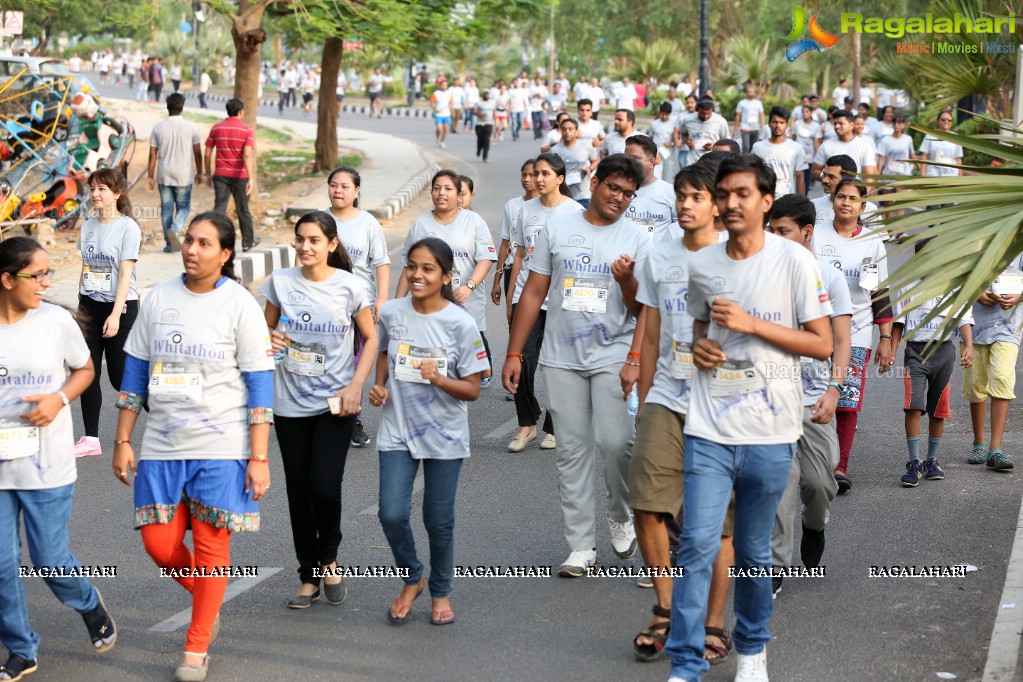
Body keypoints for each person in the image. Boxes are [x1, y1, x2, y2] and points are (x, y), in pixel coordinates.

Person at [663, 155, 833, 682]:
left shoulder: (794, 261)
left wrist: (753, 324)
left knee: (755, 552)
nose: (731, 203)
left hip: (772, 430)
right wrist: (702, 350)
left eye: (742, 194)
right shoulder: (704, 264)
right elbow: (697, 328)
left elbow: (822, 343)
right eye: (724, 194)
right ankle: (686, 663)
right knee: (694, 543)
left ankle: (753, 648)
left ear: (764, 200)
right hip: (709, 426)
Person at [113, 212, 274, 682]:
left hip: (221, 445)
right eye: (189, 239)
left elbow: (261, 387)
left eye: (205, 243)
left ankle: (196, 645)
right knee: (160, 546)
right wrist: (123, 439)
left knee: (209, 546)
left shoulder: (240, 305)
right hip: (161, 444)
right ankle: (209, 597)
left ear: (225, 254)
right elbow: (136, 374)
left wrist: (258, 457)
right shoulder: (160, 297)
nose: (192, 248)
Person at [503, 155, 649, 577]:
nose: (619, 198)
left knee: (619, 444)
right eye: (612, 188)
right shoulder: (559, 227)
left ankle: (620, 515)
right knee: (572, 450)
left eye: (627, 193)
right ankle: (581, 546)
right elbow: (533, 292)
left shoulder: (638, 238)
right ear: (595, 182)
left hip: (613, 355)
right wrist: (514, 353)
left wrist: (626, 281)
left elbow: (644, 308)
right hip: (561, 357)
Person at [628, 164, 735, 663]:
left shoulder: (737, 257)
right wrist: (645, 396)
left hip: (724, 405)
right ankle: (666, 609)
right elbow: (650, 330)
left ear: (717, 203)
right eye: (680, 196)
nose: (685, 204)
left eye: (697, 196)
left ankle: (713, 624)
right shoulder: (659, 254)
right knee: (646, 503)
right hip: (667, 398)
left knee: (717, 526)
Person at [0, 238, 117, 682]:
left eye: (49, 273)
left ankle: (87, 603)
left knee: (48, 560)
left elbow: (85, 371)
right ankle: (20, 647)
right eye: (38, 275)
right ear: (7, 279)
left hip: (46, 463)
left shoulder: (54, 321)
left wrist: (57, 399)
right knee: (1, 564)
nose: (47, 282)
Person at [261, 211, 378, 608]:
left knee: (324, 487)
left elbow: (371, 339)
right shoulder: (280, 283)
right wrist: (270, 340)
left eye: (314, 240)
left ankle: (329, 557)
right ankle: (308, 574)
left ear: (331, 244)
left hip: (335, 404)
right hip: (290, 402)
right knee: (298, 491)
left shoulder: (349, 287)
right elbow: (265, 333)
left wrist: (356, 386)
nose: (305, 247)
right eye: (300, 239)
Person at [371, 237, 489, 626]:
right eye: (413, 266)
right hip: (397, 430)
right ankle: (412, 577)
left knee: (438, 520)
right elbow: (385, 350)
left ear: (445, 277)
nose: (418, 275)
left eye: (428, 269)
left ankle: (441, 591)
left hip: (444, 435)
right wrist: (380, 383)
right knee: (390, 513)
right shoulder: (392, 312)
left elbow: (472, 388)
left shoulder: (461, 323)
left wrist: (438, 378)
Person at [766, 194, 851, 595]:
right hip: (771, 400)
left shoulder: (829, 277)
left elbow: (842, 341)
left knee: (818, 484)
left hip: (816, 400)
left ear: (807, 232)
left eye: (783, 231)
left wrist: (835, 390)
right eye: (771, 230)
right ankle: (775, 566)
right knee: (779, 487)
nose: (774, 238)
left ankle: (814, 526)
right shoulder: (762, 273)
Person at [811, 177, 894, 493]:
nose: (846, 202)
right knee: (814, 393)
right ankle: (817, 459)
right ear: (832, 200)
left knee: (846, 401)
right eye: (840, 196)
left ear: (863, 206)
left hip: (857, 330)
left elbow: (877, 292)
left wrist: (885, 338)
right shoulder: (815, 236)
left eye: (853, 199)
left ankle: (839, 466)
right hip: (816, 329)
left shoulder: (871, 242)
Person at [504, 153, 582, 453]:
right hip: (529, 296)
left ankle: (553, 426)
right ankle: (527, 424)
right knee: (521, 360)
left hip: (562, 300)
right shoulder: (524, 210)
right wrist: (511, 298)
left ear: (560, 179)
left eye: (545, 174)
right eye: (535, 173)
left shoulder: (575, 212)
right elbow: (520, 256)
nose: (538, 179)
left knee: (557, 367)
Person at [396, 171, 496, 387]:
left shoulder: (473, 221)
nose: (441, 193)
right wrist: (397, 304)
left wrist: (469, 287)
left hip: (466, 300)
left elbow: (486, 258)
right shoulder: (420, 225)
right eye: (437, 188)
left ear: (459, 194)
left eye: (448, 189)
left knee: (465, 356)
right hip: (428, 304)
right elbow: (408, 266)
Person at [73, 169, 142, 459]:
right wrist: (80, 307)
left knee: (119, 378)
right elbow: (86, 268)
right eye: (92, 189)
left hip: (120, 307)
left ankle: (167, 415)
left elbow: (126, 275)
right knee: (88, 372)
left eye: (102, 189)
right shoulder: (87, 226)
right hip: (90, 306)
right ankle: (91, 439)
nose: (95, 194)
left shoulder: (128, 228)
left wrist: (115, 315)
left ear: (117, 193)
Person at [325, 167, 391, 447]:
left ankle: (352, 419)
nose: (338, 191)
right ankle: (332, 414)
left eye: (344, 186)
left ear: (356, 191)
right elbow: (302, 259)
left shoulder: (368, 223)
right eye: (333, 185)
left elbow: (382, 262)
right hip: (325, 304)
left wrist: (382, 298)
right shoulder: (320, 220)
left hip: (359, 305)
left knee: (355, 363)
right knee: (328, 363)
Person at [892, 282, 974, 486]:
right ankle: (914, 462)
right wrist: (891, 350)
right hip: (915, 353)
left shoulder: (957, 286)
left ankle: (932, 460)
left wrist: (969, 346)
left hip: (943, 351)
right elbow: (899, 323)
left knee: (938, 407)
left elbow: (963, 319)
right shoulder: (907, 286)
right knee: (913, 406)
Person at [964, 253, 1023, 470]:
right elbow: (957, 272)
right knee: (975, 384)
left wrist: (1019, 297)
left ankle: (995, 449)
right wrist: (976, 292)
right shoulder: (975, 239)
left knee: (1001, 378)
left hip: (1009, 327)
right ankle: (978, 442)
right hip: (973, 324)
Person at [147, 93, 203, 253]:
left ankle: (169, 244)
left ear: (167, 107)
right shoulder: (192, 127)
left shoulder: (158, 128)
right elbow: (198, 153)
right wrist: (200, 173)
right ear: (182, 107)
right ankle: (175, 228)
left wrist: (150, 176)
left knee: (166, 209)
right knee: (184, 208)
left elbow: (152, 154)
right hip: (184, 175)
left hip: (164, 174)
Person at [205, 99, 258, 251]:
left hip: (221, 175)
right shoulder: (247, 130)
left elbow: (208, 154)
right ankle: (248, 242)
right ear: (240, 112)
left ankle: (212, 242)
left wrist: (208, 174)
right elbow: (247, 155)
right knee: (243, 209)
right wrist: (250, 178)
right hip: (240, 177)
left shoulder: (216, 128)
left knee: (219, 209)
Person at [492, 159, 538, 310]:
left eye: (532, 175)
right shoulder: (512, 206)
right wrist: (497, 281)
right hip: (512, 270)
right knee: (513, 315)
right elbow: (505, 244)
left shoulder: (548, 207)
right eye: (524, 175)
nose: (526, 179)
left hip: (536, 270)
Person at [623, 134, 679, 242]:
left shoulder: (671, 192)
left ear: (652, 162)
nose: (629, 163)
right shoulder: (616, 191)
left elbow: (680, 231)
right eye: (626, 158)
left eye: (635, 159)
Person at [751, 105, 807, 197]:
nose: (778, 126)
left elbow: (800, 176)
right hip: (765, 198)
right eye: (775, 122)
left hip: (788, 199)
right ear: (769, 124)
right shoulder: (758, 147)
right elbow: (753, 174)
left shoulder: (796, 148)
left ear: (786, 125)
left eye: (781, 122)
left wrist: (803, 201)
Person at [811, 109, 878, 178]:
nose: (837, 126)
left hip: (857, 188)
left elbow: (869, 176)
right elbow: (814, 172)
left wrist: (863, 189)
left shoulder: (864, 146)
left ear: (851, 125)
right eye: (835, 124)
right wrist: (828, 176)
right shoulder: (826, 146)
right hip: (832, 189)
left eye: (841, 123)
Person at [551, 118, 599, 208]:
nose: (567, 132)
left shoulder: (586, 146)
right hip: (563, 195)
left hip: (583, 194)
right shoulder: (555, 149)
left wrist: (590, 169)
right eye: (564, 129)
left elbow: (595, 161)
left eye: (570, 129)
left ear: (577, 132)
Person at [680, 99, 730, 166]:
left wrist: (714, 147)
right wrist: (688, 142)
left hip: (713, 162)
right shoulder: (687, 120)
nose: (705, 116)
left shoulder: (721, 121)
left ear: (712, 110)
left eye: (708, 113)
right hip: (692, 161)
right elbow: (684, 133)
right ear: (698, 110)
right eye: (703, 113)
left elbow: (727, 141)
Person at [919, 111, 963, 177]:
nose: (946, 122)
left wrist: (961, 177)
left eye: (949, 120)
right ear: (938, 121)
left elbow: (958, 159)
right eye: (943, 120)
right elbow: (924, 157)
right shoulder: (930, 136)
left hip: (951, 175)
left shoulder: (956, 138)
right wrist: (922, 175)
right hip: (933, 174)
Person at [791, 105, 822, 194]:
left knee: (807, 178)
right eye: (803, 112)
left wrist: (818, 157)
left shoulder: (816, 126)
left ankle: (804, 198)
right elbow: (793, 137)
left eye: (807, 112)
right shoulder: (797, 124)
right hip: (796, 156)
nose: (804, 114)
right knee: (796, 176)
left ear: (811, 113)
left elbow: (817, 141)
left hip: (809, 157)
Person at [648, 102, 678, 182]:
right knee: (656, 175)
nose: (664, 116)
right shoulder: (654, 124)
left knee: (668, 175)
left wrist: (671, 143)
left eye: (666, 115)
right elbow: (650, 137)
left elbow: (677, 139)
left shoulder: (674, 124)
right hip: (657, 152)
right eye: (662, 114)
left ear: (669, 114)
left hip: (669, 152)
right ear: (660, 113)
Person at [734, 86, 765, 154]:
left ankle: (752, 162)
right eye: (749, 92)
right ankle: (744, 162)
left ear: (754, 93)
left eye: (752, 92)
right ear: (746, 93)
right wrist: (735, 128)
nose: (751, 93)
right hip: (745, 128)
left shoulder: (758, 103)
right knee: (746, 146)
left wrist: (762, 124)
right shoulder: (742, 103)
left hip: (755, 128)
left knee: (754, 146)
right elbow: (738, 115)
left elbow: (761, 114)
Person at [473, 90, 496, 162]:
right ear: (482, 95)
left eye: (488, 94)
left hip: (489, 123)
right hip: (479, 124)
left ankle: (485, 156)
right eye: (485, 94)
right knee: (480, 139)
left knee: (487, 140)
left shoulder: (492, 102)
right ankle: (479, 148)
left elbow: (494, 110)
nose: (487, 96)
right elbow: (472, 110)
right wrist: (479, 115)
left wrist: (494, 117)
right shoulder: (478, 103)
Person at [431, 78, 453, 148]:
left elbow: (451, 102)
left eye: (446, 85)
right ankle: (437, 139)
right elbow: (432, 103)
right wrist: (435, 109)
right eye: (443, 85)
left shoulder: (449, 93)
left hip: (447, 114)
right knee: (439, 128)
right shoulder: (436, 93)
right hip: (439, 114)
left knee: (446, 128)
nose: (444, 86)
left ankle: (442, 141)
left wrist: (451, 107)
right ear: (440, 85)